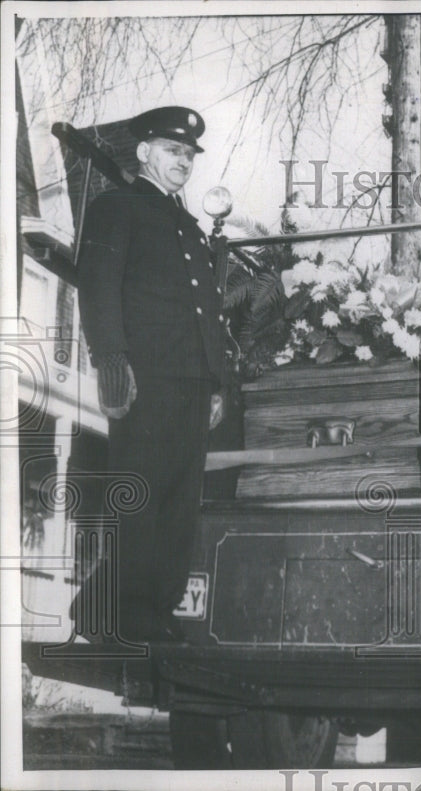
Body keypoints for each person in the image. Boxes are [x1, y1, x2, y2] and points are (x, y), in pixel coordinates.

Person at [73, 106, 227, 643]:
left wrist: (214, 382)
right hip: (146, 380)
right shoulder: (117, 206)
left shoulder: (185, 223)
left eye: (188, 154)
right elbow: (96, 288)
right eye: (171, 150)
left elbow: (203, 308)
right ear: (144, 153)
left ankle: (149, 610)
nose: (183, 160)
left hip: (189, 383)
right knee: (139, 496)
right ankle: (127, 613)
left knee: (179, 504)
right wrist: (111, 362)